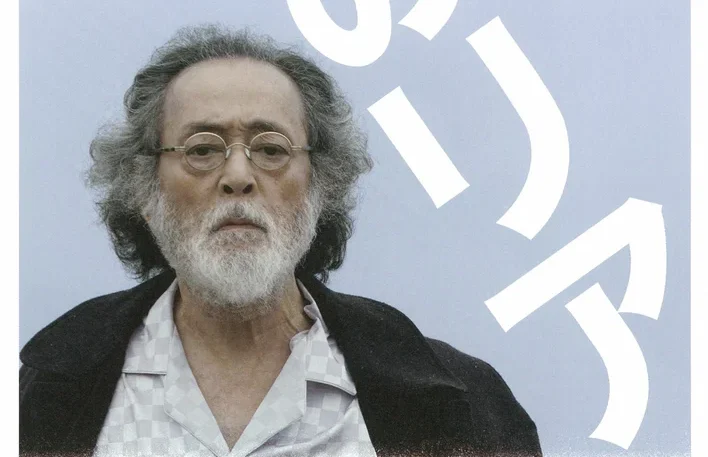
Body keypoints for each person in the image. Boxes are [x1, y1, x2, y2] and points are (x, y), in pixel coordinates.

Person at [19, 24, 542, 457]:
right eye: (202, 149)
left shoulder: (463, 404)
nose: (238, 176)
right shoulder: (38, 394)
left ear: (320, 184)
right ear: (144, 187)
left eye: (271, 149)